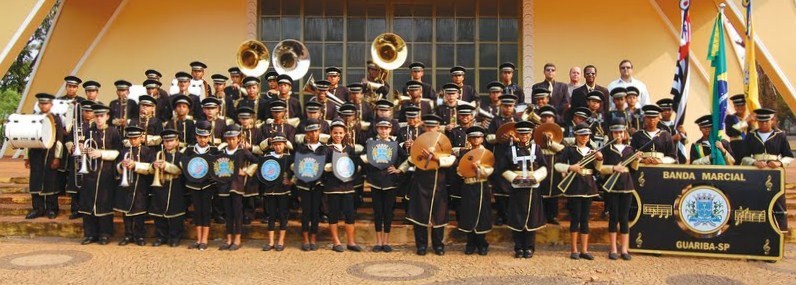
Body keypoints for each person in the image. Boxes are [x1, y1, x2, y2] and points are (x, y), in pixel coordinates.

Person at [400, 114, 456, 256]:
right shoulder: (419, 142)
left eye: (434, 126)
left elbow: (451, 160)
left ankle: (438, 245)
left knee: (439, 215)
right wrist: (400, 169)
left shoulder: (444, 142)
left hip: (439, 184)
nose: (431, 129)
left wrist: (436, 158)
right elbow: (410, 160)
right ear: (424, 127)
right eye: (428, 126)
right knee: (420, 215)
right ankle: (421, 245)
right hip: (421, 184)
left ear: (438, 128)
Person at [497, 120, 548, 258]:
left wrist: (536, 177)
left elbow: (544, 166)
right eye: (521, 133)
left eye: (527, 133)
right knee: (517, 216)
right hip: (517, 188)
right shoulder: (510, 150)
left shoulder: (536, 149)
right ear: (517, 134)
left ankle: (530, 247)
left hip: (533, 188)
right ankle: (518, 247)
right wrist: (513, 177)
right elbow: (502, 168)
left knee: (531, 217)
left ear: (531, 134)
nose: (524, 136)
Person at [739, 108, 792, 231]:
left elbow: (789, 156)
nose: (763, 124)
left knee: (778, 200)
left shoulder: (780, 135)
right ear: (757, 121)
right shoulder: (751, 135)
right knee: (757, 199)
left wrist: (779, 162)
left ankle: (781, 230)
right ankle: (757, 230)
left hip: (775, 173)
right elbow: (744, 157)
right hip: (757, 173)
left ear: (772, 121)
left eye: (766, 121)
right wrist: (754, 162)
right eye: (760, 122)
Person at [555, 123, 602, 260]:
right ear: (576, 135)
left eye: (587, 135)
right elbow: (557, 165)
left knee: (585, 219)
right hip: (574, 185)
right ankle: (574, 249)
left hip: (588, 186)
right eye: (582, 135)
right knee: (575, 219)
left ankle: (584, 250)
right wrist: (570, 167)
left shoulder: (592, 150)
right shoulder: (569, 150)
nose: (585, 138)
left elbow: (598, 169)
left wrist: (599, 158)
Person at [79, 103, 123, 245]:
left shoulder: (113, 132)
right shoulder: (89, 132)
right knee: (88, 201)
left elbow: (118, 151)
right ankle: (90, 234)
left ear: (107, 117)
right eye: (96, 116)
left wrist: (101, 153)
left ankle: (105, 234)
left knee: (104, 202)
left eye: (101, 116)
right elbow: (84, 149)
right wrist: (82, 150)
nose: (98, 119)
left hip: (106, 172)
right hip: (90, 172)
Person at [362, 118, 406, 253]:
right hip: (375, 182)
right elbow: (363, 157)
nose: (384, 131)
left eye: (386, 128)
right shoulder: (371, 143)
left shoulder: (395, 144)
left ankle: (386, 241)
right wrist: (370, 161)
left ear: (390, 129)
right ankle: (378, 241)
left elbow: (407, 158)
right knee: (378, 213)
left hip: (390, 182)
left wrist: (399, 169)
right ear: (377, 129)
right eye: (381, 128)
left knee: (388, 213)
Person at [599, 117, 639, 260]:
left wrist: (636, 159)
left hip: (626, 186)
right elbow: (600, 169)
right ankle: (613, 248)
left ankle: (624, 249)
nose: (619, 135)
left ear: (625, 133)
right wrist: (613, 168)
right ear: (611, 133)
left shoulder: (630, 149)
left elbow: (634, 169)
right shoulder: (606, 149)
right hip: (612, 186)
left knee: (624, 218)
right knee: (613, 217)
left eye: (621, 132)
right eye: (616, 132)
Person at [216, 124, 258, 251]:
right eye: (228, 139)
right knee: (228, 213)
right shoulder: (222, 152)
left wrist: (246, 171)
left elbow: (256, 161)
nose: (231, 141)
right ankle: (229, 239)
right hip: (224, 185)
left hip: (237, 185)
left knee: (237, 212)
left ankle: (237, 239)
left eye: (233, 138)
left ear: (239, 138)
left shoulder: (242, 151)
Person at [323, 120, 363, 252]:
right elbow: (322, 167)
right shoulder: (326, 149)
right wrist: (332, 167)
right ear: (330, 133)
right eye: (335, 133)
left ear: (345, 133)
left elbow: (354, 166)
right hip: (333, 187)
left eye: (340, 133)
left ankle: (351, 242)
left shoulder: (350, 149)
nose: (338, 135)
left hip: (348, 187)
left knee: (350, 215)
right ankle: (336, 242)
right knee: (333, 214)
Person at [24, 93, 65, 219]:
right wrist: (27, 157)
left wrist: (57, 157)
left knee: (51, 181)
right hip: (35, 154)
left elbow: (59, 140)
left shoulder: (56, 119)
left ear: (51, 105)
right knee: (35, 181)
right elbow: (27, 139)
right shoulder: (33, 118)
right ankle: (37, 208)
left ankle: (52, 209)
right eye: (41, 103)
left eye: (46, 103)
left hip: (50, 154)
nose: (43, 106)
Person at [455, 125, 494, 256]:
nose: (475, 140)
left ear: (482, 139)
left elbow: (490, 170)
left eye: (478, 137)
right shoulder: (465, 153)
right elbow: (459, 170)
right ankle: (470, 243)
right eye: (472, 137)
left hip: (481, 185)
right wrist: (466, 171)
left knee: (482, 214)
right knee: (468, 213)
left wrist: (479, 169)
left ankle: (482, 243)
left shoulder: (487, 154)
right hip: (468, 184)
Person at [486, 94, 522, 226]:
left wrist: (517, 139)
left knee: (514, 184)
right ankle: (501, 215)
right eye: (505, 106)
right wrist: (500, 137)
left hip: (516, 157)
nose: (508, 108)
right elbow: (488, 137)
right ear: (501, 106)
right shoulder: (495, 121)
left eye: (510, 106)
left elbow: (526, 137)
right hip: (500, 155)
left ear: (514, 107)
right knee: (499, 185)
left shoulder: (518, 120)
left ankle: (512, 215)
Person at [114, 126, 154, 246]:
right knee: (126, 212)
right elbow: (117, 168)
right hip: (126, 186)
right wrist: (122, 165)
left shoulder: (147, 151)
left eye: (135, 138)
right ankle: (128, 235)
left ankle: (139, 236)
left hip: (141, 185)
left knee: (139, 212)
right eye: (131, 138)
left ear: (141, 138)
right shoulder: (124, 151)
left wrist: (135, 165)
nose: (133, 141)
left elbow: (150, 168)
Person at [183, 120, 220, 251]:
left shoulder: (214, 150)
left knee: (206, 211)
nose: (203, 139)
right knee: (197, 211)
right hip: (194, 185)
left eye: (205, 137)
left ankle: (205, 239)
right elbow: (185, 165)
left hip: (208, 185)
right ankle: (198, 239)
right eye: (200, 137)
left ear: (209, 136)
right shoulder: (189, 150)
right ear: (196, 136)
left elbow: (218, 168)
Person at [148, 129, 185, 247]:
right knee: (158, 211)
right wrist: (154, 166)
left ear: (177, 142)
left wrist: (166, 166)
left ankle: (175, 237)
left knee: (175, 214)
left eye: (171, 141)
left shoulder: (181, 155)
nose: (168, 143)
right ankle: (161, 236)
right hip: (160, 185)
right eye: (166, 141)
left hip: (175, 186)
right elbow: (149, 169)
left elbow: (179, 170)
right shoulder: (157, 154)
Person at [294, 119, 327, 251]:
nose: (313, 134)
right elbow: (297, 164)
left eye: (315, 131)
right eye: (310, 131)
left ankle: (313, 237)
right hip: (304, 184)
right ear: (306, 133)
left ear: (319, 132)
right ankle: (305, 238)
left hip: (318, 183)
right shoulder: (301, 148)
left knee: (315, 212)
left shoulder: (324, 148)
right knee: (306, 211)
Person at [260, 133, 293, 252]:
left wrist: (291, 181)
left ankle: (281, 241)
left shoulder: (289, 157)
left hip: (283, 191)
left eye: (280, 144)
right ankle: (270, 241)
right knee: (271, 215)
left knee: (283, 215)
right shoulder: (267, 156)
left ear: (285, 145)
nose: (278, 147)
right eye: (276, 145)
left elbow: (294, 171)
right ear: (272, 145)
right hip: (270, 191)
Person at [65, 100, 95, 219]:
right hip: (77, 158)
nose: (87, 114)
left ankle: (87, 208)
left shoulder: (95, 126)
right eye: (85, 111)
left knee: (88, 185)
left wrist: (87, 148)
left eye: (90, 111)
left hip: (89, 159)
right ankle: (76, 209)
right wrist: (72, 147)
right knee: (75, 184)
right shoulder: (76, 125)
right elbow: (68, 139)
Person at [536, 105, 565, 224]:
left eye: (549, 116)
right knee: (540, 189)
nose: (546, 119)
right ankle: (540, 215)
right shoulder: (536, 131)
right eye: (543, 117)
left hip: (554, 162)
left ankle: (552, 216)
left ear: (553, 119)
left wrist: (551, 142)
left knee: (554, 190)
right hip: (541, 161)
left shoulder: (559, 132)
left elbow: (563, 149)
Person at [237, 107, 265, 225]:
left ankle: (249, 214)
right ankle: (239, 214)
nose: (244, 121)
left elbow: (262, 149)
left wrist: (250, 147)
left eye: (247, 119)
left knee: (251, 190)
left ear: (251, 119)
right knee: (239, 189)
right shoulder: (236, 131)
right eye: (242, 119)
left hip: (253, 163)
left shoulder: (257, 132)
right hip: (239, 164)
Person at [656, 98, 687, 163]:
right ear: (660, 112)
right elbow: (656, 142)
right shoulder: (657, 125)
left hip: (677, 158)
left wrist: (684, 134)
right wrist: (672, 138)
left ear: (672, 110)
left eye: (669, 109)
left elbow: (685, 142)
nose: (667, 112)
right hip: (662, 159)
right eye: (664, 110)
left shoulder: (676, 125)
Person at [725, 94, 753, 164]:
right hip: (736, 150)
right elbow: (730, 132)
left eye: (742, 105)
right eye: (737, 106)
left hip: (750, 151)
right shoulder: (730, 118)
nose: (740, 107)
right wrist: (746, 121)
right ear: (734, 106)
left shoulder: (752, 119)